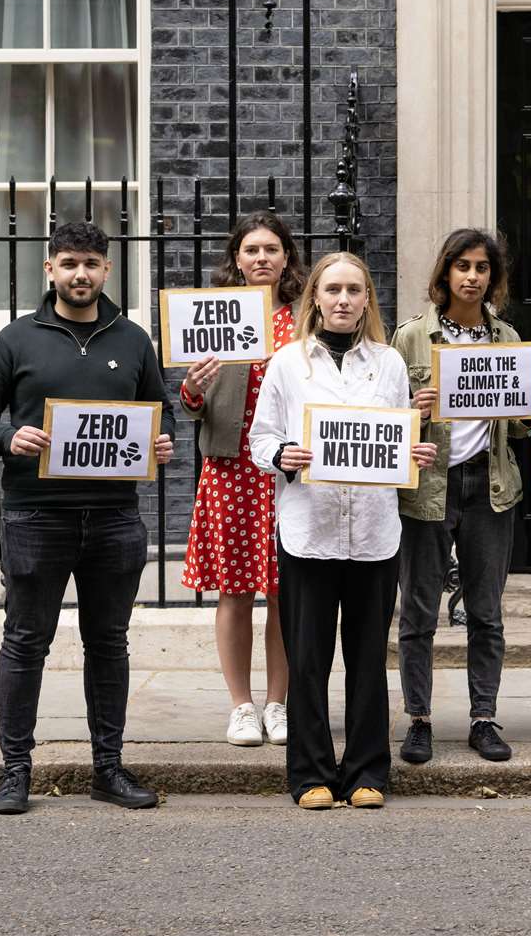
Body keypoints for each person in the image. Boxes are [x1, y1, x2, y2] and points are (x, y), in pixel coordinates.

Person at [0, 221, 176, 815]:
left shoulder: (131, 339)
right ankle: (14, 772)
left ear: (107, 271)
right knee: (26, 643)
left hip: (114, 519)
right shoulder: (17, 338)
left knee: (109, 643)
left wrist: (162, 441)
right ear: (50, 269)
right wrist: (7, 436)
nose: (81, 273)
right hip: (36, 515)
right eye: (69, 263)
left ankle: (108, 770)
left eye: (92, 264)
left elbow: (160, 413)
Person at [249, 252, 437, 809]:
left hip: (374, 534)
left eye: (354, 290)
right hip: (309, 530)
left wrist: (414, 453)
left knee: (366, 656)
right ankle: (309, 774)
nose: (343, 300)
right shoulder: (287, 363)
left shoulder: (389, 364)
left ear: (366, 301)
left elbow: (397, 438)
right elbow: (261, 440)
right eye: (333, 289)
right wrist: (285, 453)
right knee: (307, 658)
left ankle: (366, 772)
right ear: (316, 298)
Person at [391, 229, 531, 765]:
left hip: (490, 483)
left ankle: (484, 717)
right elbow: (385, 421)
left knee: (486, 611)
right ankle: (419, 719)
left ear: (493, 277)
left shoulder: (508, 340)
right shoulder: (411, 338)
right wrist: (417, 406)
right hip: (431, 483)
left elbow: (524, 430)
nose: (472, 276)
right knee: (418, 611)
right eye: (462, 266)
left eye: (482, 268)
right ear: (445, 273)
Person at [179, 213, 307, 748]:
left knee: (284, 594)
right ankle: (241, 705)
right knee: (234, 593)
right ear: (236, 259)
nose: (261, 258)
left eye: (271, 249)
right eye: (251, 250)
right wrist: (191, 387)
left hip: (286, 470)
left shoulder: (305, 319)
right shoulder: (216, 318)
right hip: (231, 470)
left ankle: (279, 704)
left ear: (286, 259)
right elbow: (194, 406)